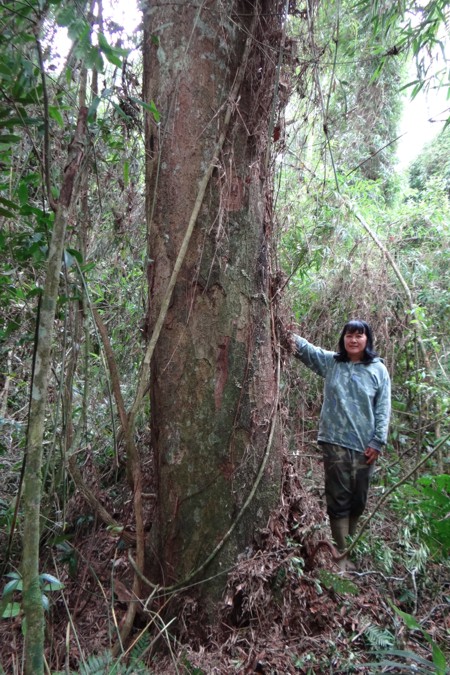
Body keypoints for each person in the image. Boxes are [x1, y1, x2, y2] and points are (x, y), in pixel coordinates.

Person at [290, 319, 391, 570]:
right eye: (349, 335)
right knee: (339, 498)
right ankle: (342, 557)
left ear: (368, 340)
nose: (353, 340)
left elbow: (383, 408)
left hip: (365, 446)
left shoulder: (378, 370)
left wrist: (378, 441)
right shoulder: (332, 363)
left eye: (359, 335)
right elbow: (306, 350)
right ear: (343, 338)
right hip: (334, 441)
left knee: (358, 499)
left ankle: (349, 545)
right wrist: (281, 326)